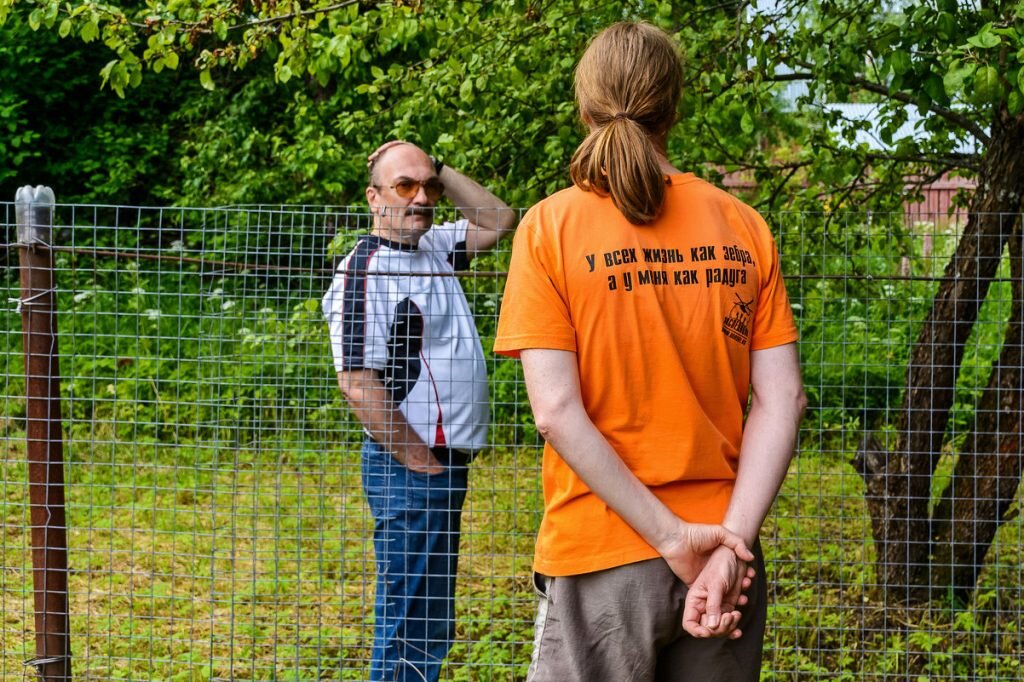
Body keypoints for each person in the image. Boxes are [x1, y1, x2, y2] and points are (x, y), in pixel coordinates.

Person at [493, 21, 806, 682]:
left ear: (583, 109)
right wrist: (729, 547)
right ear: (675, 107)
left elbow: (554, 411)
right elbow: (783, 401)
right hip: (727, 557)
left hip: (601, 553)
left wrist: (670, 539)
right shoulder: (743, 226)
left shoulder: (549, 228)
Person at [323, 141, 515, 681]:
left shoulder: (436, 248)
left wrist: (441, 166)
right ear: (373, 197)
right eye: (404, 186)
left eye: (427, 186)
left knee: (429, 622)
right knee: (410, 624)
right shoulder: (364, 269)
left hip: (441, 463)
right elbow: (358, 383)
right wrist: (420, 461)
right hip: (412, 465)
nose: (421, 197)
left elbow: (499, 218)